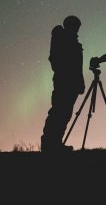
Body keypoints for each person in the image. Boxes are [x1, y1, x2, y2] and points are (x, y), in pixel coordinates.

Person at [41, 15, 85, 152]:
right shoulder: (63, 38)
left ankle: (56, 143)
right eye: (76, 26)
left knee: (64, 113)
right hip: (64, 82)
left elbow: (77, 66)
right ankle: (50, 144)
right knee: (58, 112)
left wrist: (79, 81)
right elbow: (57, 60)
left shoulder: (71, 41)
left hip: (70, 82)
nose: (77, 30)